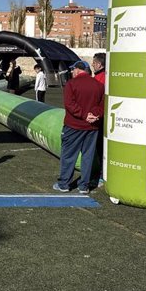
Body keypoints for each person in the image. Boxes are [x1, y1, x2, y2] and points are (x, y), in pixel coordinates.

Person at [53, 60, 104, 194]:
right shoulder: (99, 86)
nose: (72, 72)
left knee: (69, 155)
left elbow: (69, 104)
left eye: (73, 69)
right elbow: (102, 106)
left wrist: (84, 115)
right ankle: (84, 186)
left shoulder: (71, 84)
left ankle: (64, 184)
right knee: (88, 157)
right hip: (92, 127)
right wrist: (95, 116)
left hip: (74, 126)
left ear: (77, 70)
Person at [91, 52, 106, 188]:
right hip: (102, 118)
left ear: (99, 64)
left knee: (99, 148)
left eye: (94, 63)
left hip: (99, 120)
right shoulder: (102, 77)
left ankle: (100, 175)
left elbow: (96, 100)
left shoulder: (100, 79)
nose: (92, 65)